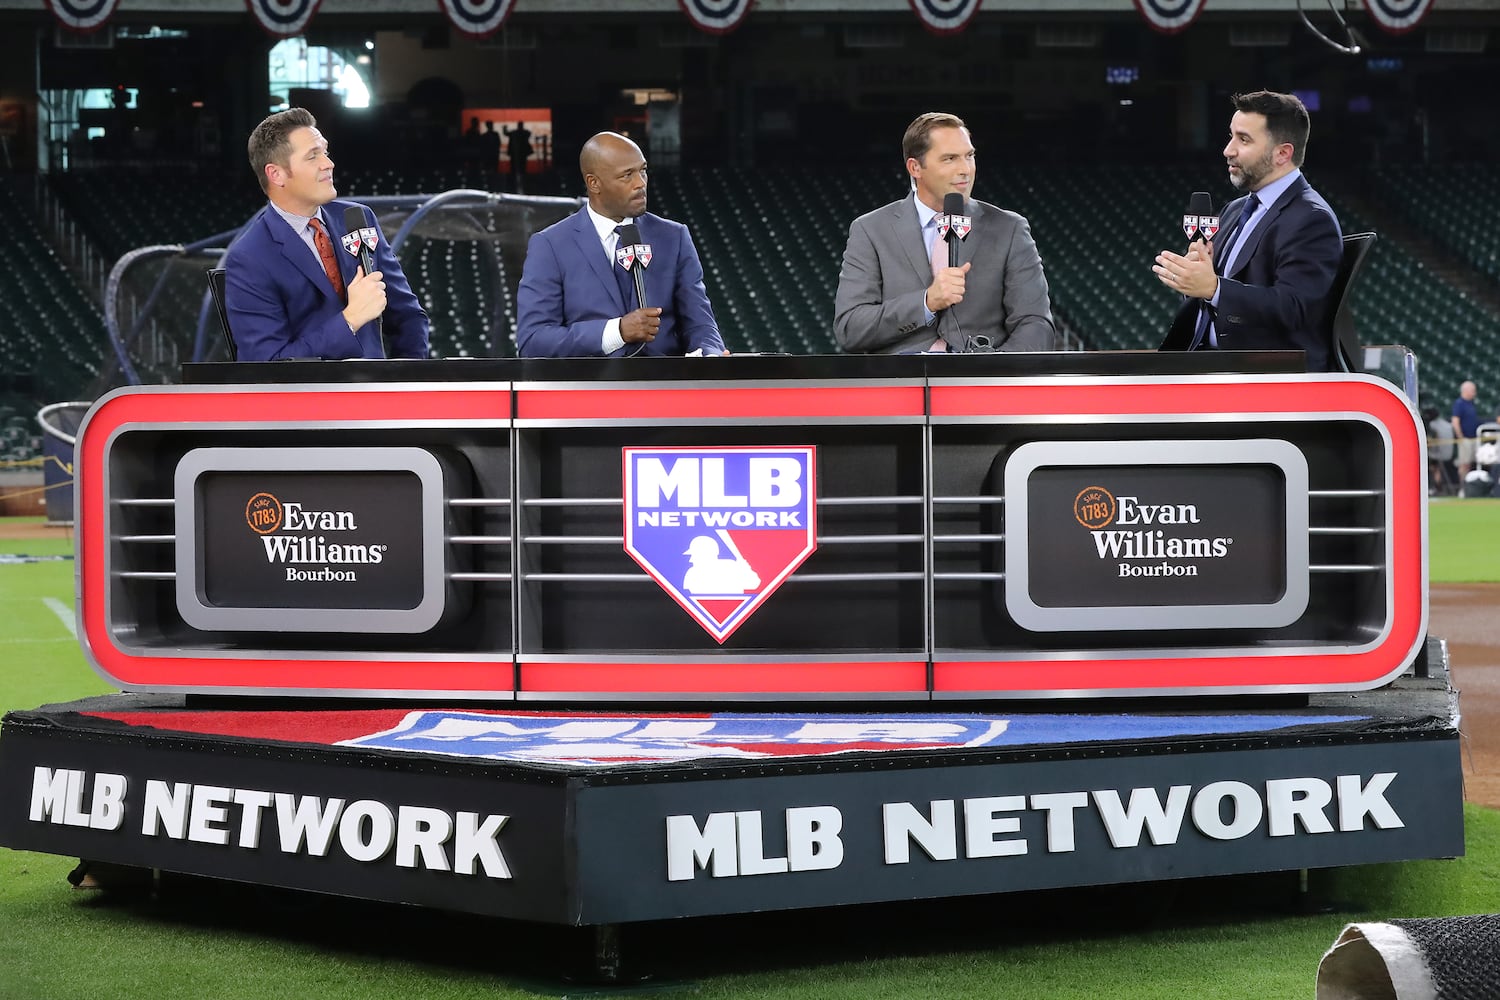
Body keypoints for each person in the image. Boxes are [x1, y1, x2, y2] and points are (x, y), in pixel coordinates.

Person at [833, 111, 1056, 354]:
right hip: (903, 375)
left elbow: (1036, 324)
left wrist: (995, 368)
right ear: (915, 167)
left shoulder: (1009, 228)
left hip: (982, 375)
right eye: (949, 159)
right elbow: (850, 329)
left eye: (969, 156)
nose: (965, 169)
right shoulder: (871, 230)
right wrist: (926, 302)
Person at [1155, 91, 1343, 370]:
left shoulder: (1311, 219)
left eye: (1243, 140)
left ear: (1282, 153)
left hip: (1268, 379)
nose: (1228, 150)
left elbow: (1294, 308)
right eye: (1231, 136)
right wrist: (1195, 281)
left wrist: (1214, 288)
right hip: (1209, 368)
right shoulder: (1235, 209)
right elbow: (1212, 298)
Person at [223, 107, 429, 361]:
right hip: (312, 388)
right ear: (276, 174)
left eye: (325, 152)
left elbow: (408, 316)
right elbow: (268, 365)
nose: (328, 164)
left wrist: (406, 377)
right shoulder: (250, 257)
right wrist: (350, 319)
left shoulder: (358, 218)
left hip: (379, 384)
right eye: (313, 156)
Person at [516, 131, 725, 358]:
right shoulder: (551, 245)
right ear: (594, 183)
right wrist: (617, 332)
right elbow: (533, 341)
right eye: (627, 175)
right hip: (592, 381)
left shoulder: (674, 237)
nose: (640, 183)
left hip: (664, 379)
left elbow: (700, 324)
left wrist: (710, 354)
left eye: (643, 171)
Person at [1452, 380, 1482, 489]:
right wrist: (1460, 436)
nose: (1474, 393)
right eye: (1473, 390)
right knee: (1464, 464)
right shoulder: (1459, 403)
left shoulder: (1471, 404)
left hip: (1473, 438)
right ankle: (1463, 487)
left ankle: (1470, 487)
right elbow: (1455, 421)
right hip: (1465, 439)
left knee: (1470, 464)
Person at [505, 121, 531, 189]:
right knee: (518, 169)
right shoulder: (522, 133)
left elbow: (506, 133)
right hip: (518, 154)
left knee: (519, 169)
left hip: (518, 154)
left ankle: (518, 183)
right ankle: (517, 183)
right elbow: (506, 133)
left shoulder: (517, 133)